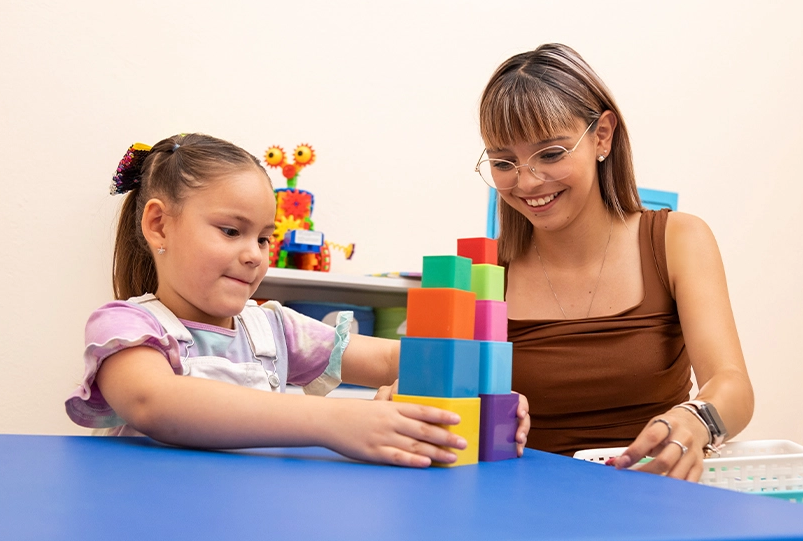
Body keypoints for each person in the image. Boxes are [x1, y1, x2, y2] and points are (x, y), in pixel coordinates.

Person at [66, 133, 530, 466]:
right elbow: (156, 402)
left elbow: (393, 358)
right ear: (159, 225)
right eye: (231, 231)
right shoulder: (125, 328)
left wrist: (482, 390)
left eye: (263, 238)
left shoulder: (274, 329)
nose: (254, 255)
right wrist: (336, 421)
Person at [474, 44, 753, 481]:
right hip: (523, 505)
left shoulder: (678, 240)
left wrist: (697, 419)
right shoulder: (484, 272)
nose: (526, 181)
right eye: (504, 162)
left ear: (602, 136)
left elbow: (731, 383)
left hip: (655, 500)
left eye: (551, 153)